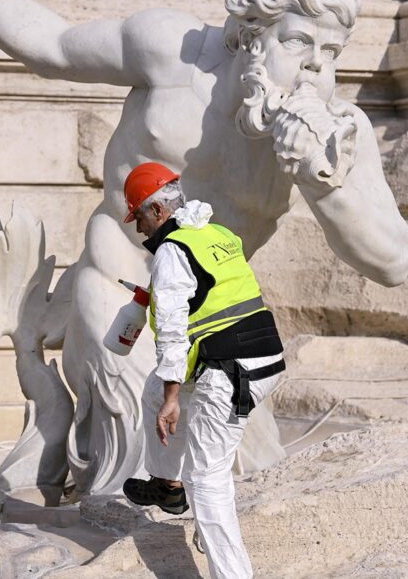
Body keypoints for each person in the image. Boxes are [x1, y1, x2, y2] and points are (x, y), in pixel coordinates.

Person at [0, 0, 408, 496]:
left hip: (213, 321)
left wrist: (322, 178)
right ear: (251, 37)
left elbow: (392, 263)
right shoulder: (173, 53)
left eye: (330, 51)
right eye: (297, 42)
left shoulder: (337, 132)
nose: (314, 66)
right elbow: (49, 46)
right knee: (144, 472)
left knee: (244, 482)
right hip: (122, 288)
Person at [120, 161, 284, 579]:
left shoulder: (173, 252)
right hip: (260, 356)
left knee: (206, 479)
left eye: (138, 216)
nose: (138, 229)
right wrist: (168, 393)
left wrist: (175, 400)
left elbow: (172, 334)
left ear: (158, 212)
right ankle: (166, 487)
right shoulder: (216, 233)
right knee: (156, 389)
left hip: (231, 369)